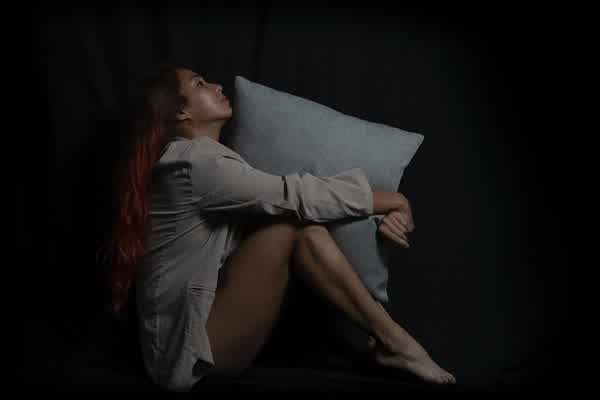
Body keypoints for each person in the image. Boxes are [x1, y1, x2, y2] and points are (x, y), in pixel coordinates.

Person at [103, 64, 456, 391]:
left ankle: (392, 342)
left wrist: (380, 214)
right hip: (186, 357)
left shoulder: (202, 161)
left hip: (196, 339)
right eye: (200, 84)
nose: (217, 85)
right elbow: (294, 195)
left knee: (300, 227)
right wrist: (393, 200)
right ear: (181, 111)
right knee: (291, 224)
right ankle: (396, 342)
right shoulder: (195, 163)